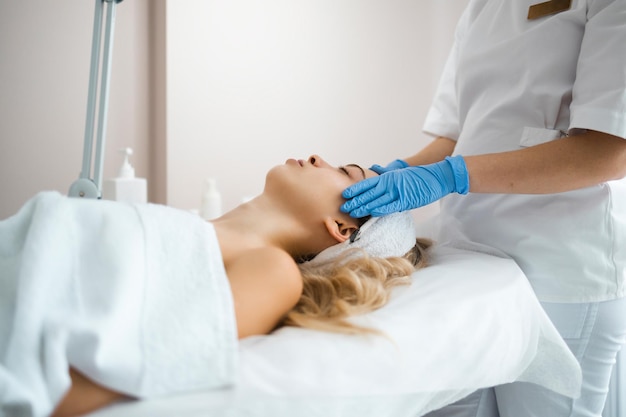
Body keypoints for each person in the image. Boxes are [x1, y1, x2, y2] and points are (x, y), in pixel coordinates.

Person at [341, 1, 626, 416]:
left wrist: (444, 176)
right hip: (470, 258)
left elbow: (607, 153)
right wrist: (398, 172)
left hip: (560, 268)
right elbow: (460, 134)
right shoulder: (482, 7)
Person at [0, 155, 430, 417]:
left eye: (344, 170)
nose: (320, 157)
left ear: (340, 228)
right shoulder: (187, 225)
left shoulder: (272, 271)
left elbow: (153, 360)